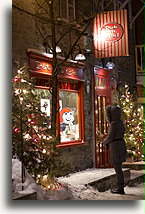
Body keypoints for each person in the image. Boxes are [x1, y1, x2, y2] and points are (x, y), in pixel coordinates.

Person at [103, 105, 127, 195]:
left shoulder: (113, 124)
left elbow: (110, 137)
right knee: (119, 167)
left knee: (117, 168)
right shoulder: (120, 122)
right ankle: (120, 186)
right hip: (121, 144)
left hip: (116, 146)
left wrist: (103, 142)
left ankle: (120, 188)